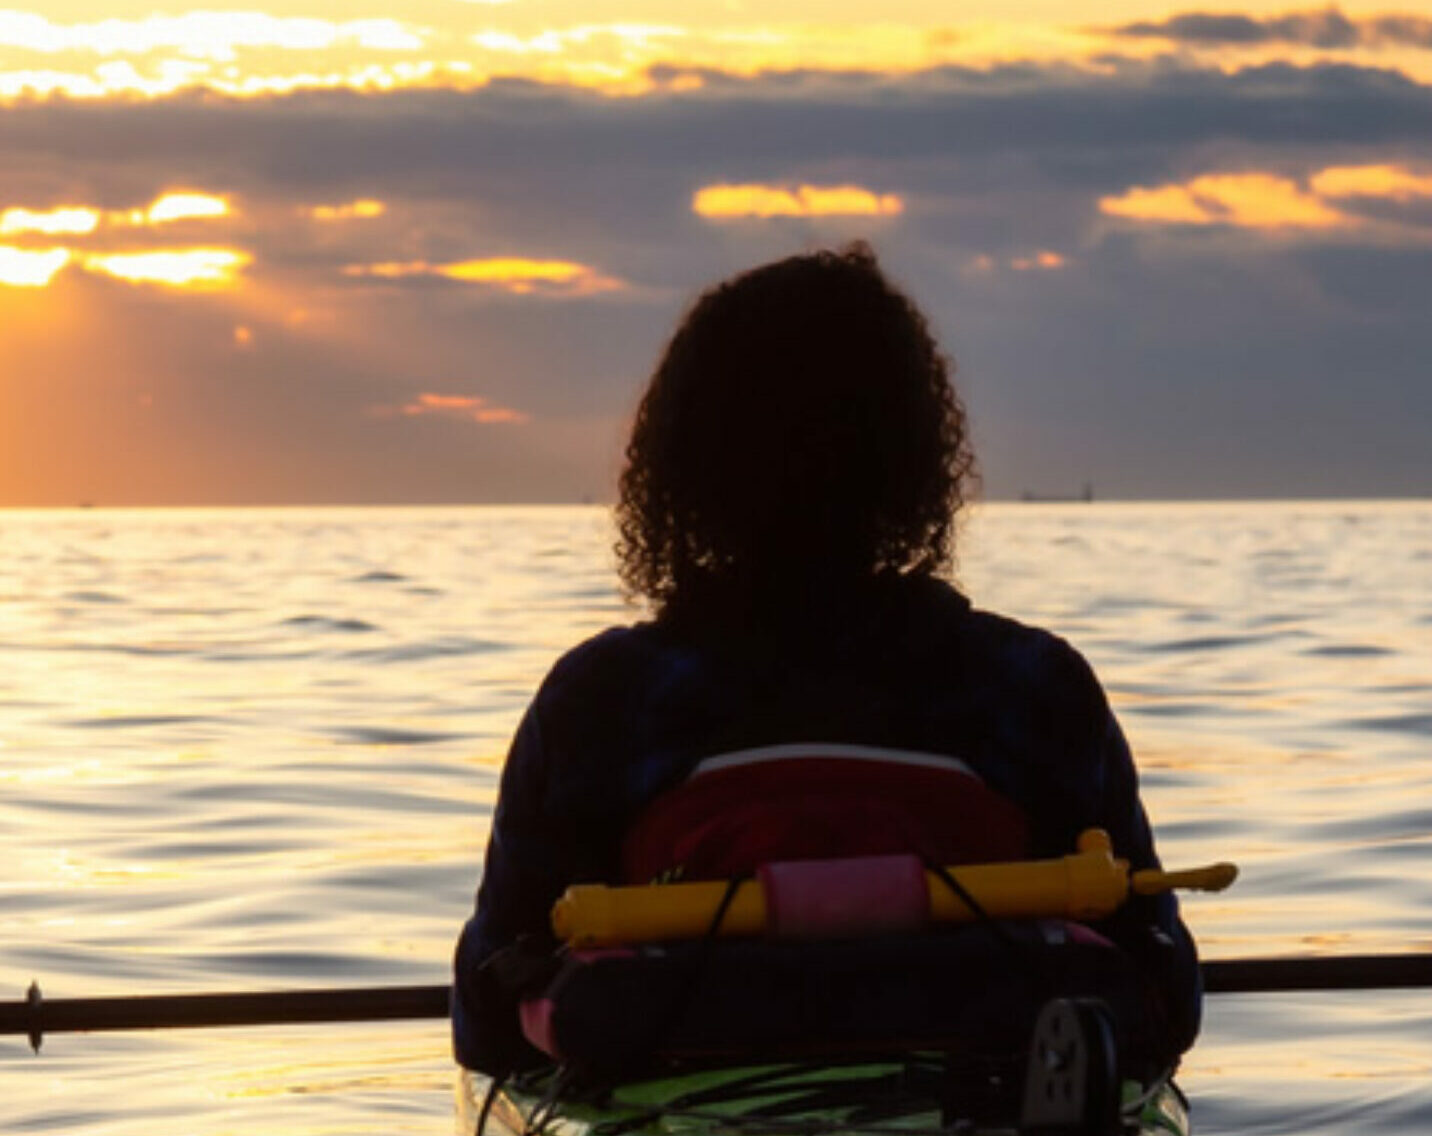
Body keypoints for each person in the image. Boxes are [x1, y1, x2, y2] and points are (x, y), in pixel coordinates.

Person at [450, 243, 1200, 1080]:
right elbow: (1165, 994)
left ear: (683, 471)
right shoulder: (1030, 686)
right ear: (914, 462)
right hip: (987, 1127)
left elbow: (487, 1023)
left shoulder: (604, 701)